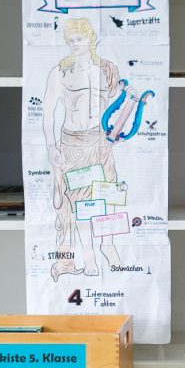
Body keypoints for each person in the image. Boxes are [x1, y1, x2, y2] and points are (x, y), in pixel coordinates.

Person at [42, 17, 125, 280]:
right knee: (80, 201)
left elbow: (118, 106)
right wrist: (51, 146)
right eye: (71, 40)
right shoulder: (60, 72)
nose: (75, 44)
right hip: (73, 143)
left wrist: (117, 132)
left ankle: (108, 244)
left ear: (91, 39)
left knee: (110, 196)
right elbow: (47, 113)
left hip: (100, 140)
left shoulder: (107, 70)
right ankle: (88, 254)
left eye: (79, 39)